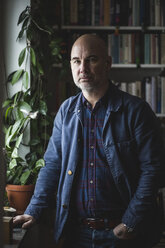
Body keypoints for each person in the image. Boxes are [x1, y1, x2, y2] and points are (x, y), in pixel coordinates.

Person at [13, 34, 165, 248]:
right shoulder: (66, 111)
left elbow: (153, 170)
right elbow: (52, 165)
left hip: (124, 234)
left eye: (91, 59)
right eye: (76, 61)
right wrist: (34, 210)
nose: (82, 68)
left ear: (108, 63)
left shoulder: (136, 111)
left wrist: (130, 222)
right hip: (76, 233)